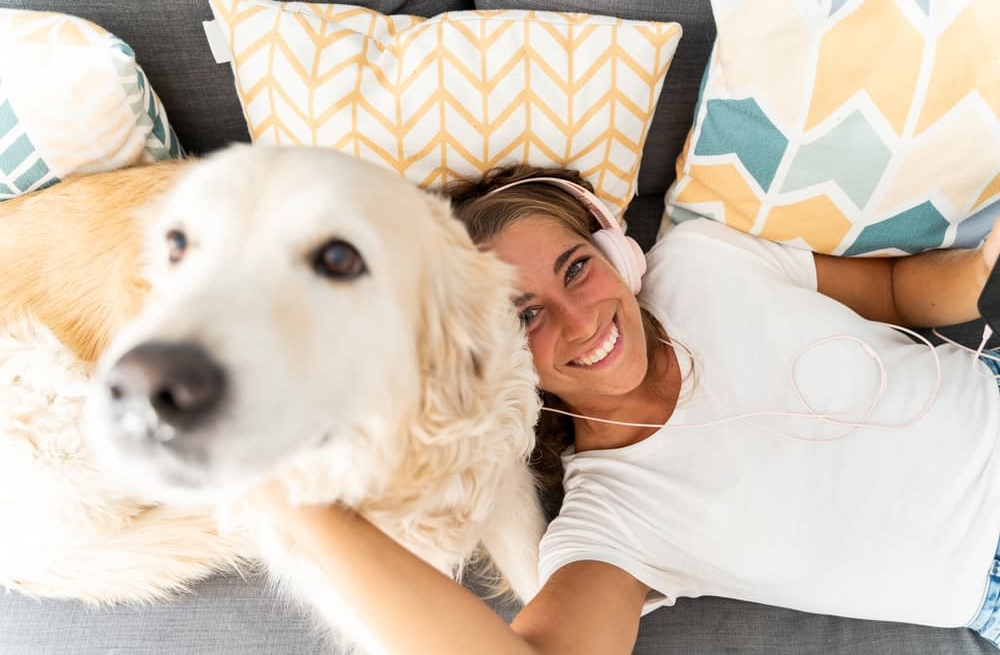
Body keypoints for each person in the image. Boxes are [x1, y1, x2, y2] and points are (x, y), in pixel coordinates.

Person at [253, 164, 1000, 654]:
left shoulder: (705, 259)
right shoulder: (606, 526)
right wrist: (306, 512)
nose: (580, 319)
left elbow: (901, 291)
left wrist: (982, 266)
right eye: (524, 318)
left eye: (577, 267)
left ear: (619, 252)